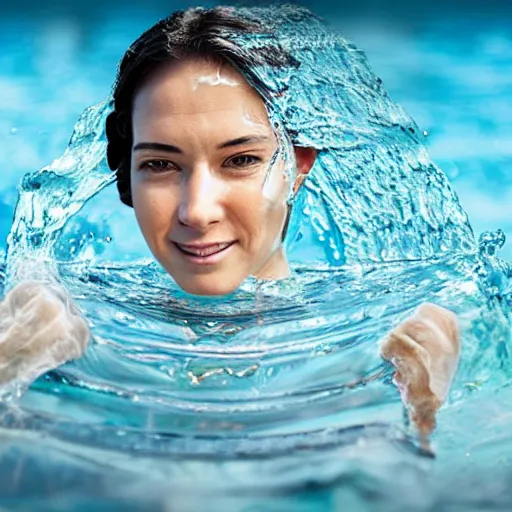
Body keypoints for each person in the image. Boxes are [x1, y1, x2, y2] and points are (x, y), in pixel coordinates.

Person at [0, 5, 459, 439]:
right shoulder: (67, 319)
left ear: (297, 164)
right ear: (128, 177)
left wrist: (430, 410)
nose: (197, 211)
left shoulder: (385, 335)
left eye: (240, 159)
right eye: (160, 165)